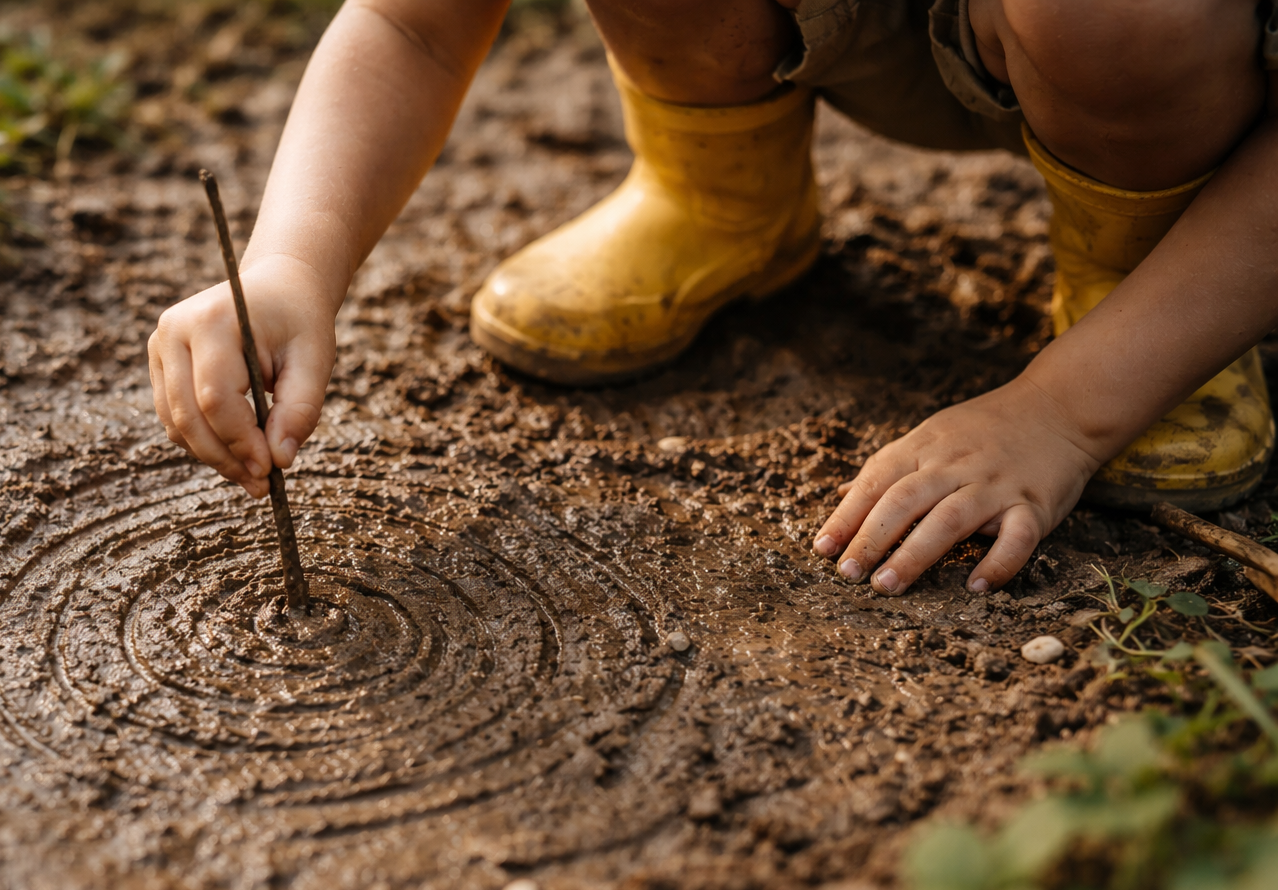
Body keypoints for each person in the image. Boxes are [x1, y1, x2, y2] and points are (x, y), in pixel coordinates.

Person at [148, 0, 1278, 597]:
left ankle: (1146, 286)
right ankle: (722, 195)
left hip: (1168, 67)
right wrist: (292, 259)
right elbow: (411, 22)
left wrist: (1062, 412)